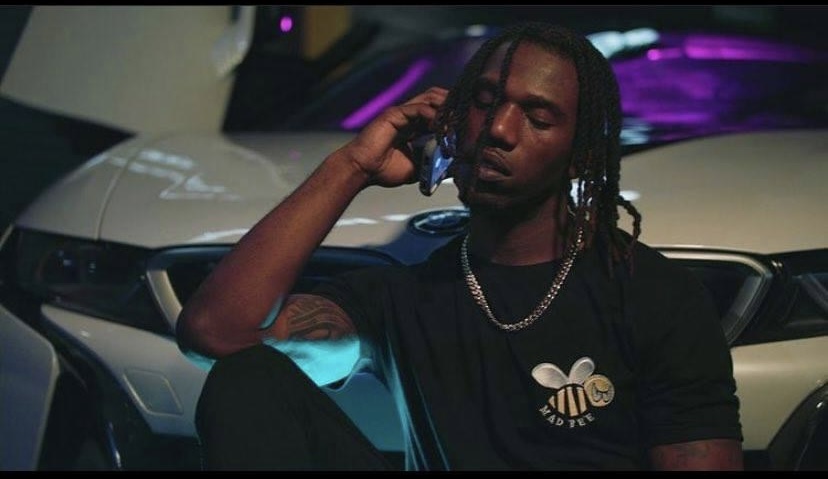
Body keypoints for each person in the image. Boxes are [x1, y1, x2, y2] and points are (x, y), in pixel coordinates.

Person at [175, 21, 744, 470]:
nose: (499, 129)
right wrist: (352, 167)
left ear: (582, 156)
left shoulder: (652, 294)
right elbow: (218, 333)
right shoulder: (404, 295)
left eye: (537, 116)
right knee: (246, 380)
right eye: (486, 101)